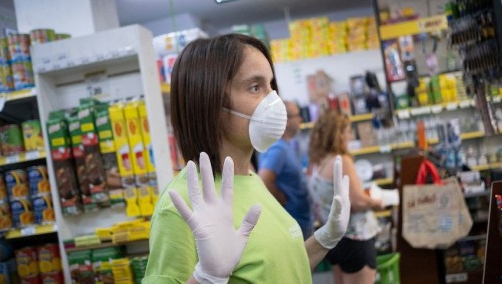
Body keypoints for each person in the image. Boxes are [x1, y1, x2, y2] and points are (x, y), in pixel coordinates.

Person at [143, 34, 351, 284]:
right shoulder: (181, 206)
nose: (273, 100)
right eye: (255, 87)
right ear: (210, 102)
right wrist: (207, 278)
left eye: (271, 85)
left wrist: (325, 237)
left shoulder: (250, 178)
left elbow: (276, 272)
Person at [307, 110, 385, 284]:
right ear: (337, 133)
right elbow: (357, 202)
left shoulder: (318, 162)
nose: (350, 135)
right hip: (356, 238)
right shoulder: (342, 160)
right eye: (348, 130)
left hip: (336, 241)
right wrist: (377, 202)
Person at [258, 101, 314, 238]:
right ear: (286, 121)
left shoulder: (283, 145)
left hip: (299, 220)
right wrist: (282, 199)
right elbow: (264, 180)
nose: (301, 119)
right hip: (294, 222)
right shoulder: (278, 149)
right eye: (297, 116)